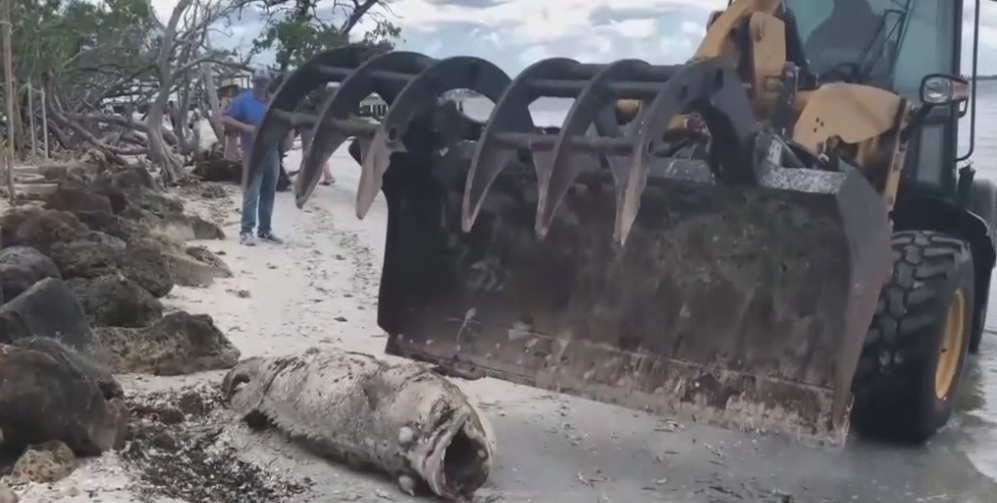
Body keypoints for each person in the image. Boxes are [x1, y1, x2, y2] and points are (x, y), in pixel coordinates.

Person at [223, 68, 283, 246]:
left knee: (269, 192)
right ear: (252, 82)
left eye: (264, 82)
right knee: (251, 192)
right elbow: (224, 118)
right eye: (258, 82)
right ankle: (246, 230)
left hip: (272, 151)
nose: (261, 85)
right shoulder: (243, 100)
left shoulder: (273, 101)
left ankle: (265, 230)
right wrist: (247, 128)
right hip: (252, 151)